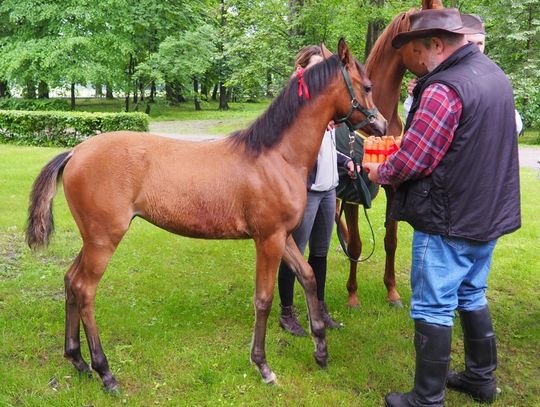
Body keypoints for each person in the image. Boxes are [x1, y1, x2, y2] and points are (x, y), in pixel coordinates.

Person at [363, 9, 521, 406]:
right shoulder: (494, 76)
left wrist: (378, 170)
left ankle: (426, 398)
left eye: (415, 53)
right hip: (487, 214)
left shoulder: (443, 88)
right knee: (472, 294)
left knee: (433, 304)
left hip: (448, 218)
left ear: (436, 44)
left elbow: (416, 159)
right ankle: (480, 379)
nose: (414, 64)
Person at [278, 45, 356, 336]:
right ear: (302, 70)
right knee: (293, 252)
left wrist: (346, 162)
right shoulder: (295, 108)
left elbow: (325, 149)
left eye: (323, 66)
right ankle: (287, 312)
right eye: (314, 67)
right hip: (307, 192)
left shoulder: (326, 107)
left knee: (320, 253)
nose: (320, 72)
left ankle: (319, 308)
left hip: (328, 190)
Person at [403, 16, 524, 136]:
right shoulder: (496, 75)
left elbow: (516, 125)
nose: (474, 48)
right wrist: (417, 96)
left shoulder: (491, 76)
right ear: (460, 42)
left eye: (480, 44)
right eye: (470, 43)